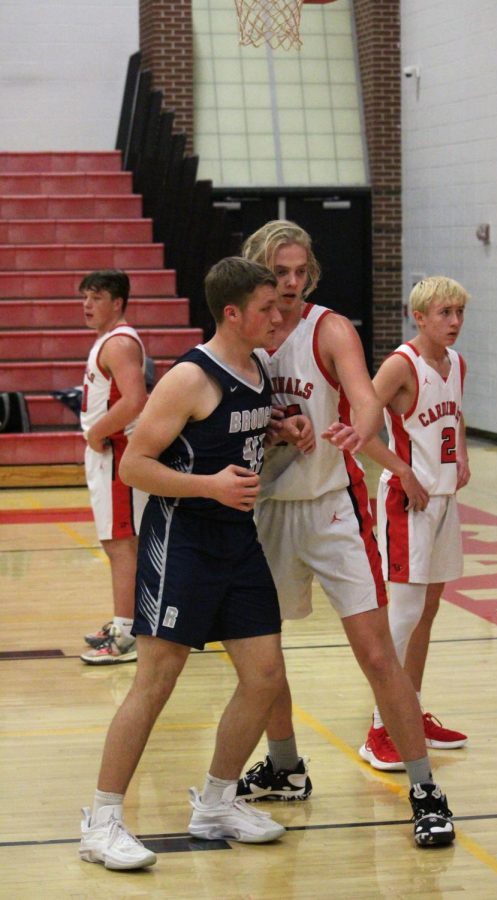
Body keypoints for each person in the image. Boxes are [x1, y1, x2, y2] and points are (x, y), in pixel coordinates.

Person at [79, 257, 314, 871]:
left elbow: (235, 439)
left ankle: (216, 801)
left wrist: (281, 431)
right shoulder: (189, 377)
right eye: (265, 307)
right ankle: (101, 820)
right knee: (155, 681)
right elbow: (135, 465)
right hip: (181, 541)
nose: (278, 314)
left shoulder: (257, 366)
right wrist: (209, 485)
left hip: (236, 542)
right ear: (231, 313)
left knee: (264, 677)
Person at [237, 220, 455, 848]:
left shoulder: (327, 327)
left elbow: (363, 395)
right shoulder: (247, 333)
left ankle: (424, 788)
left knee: (378, 653)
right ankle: (284, 767)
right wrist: (278, 426)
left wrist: (359, 430)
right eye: (281, 272)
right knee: (263, 658)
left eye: (302, 271)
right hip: (270, 510)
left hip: (334, 507)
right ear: (258, 271)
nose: (293, 282)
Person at [358, 276, 470, 772]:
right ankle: (380, 727)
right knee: (402, 614)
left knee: (428, 610)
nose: (454, 322)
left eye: (459, 312)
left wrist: (462, 453)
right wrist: (402, 470)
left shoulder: (457, 363)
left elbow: (456, 417)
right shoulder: (400, 365)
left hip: (444, 499)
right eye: (444, 313)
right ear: (418, 316)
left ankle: (411, 709)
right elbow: (361, 429)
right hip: (408, 502)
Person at [78, 269, 148, 665]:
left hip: (117, 453)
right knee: (117, 543)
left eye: (96, 297)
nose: (87, 305)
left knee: (122, 544)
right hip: (109, 453)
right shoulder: (110, 341)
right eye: (85, 297)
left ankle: (126, 634)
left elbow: (135, 399)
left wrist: (96, 432)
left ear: (117, 302)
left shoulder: (119, 343)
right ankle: (128, 621)